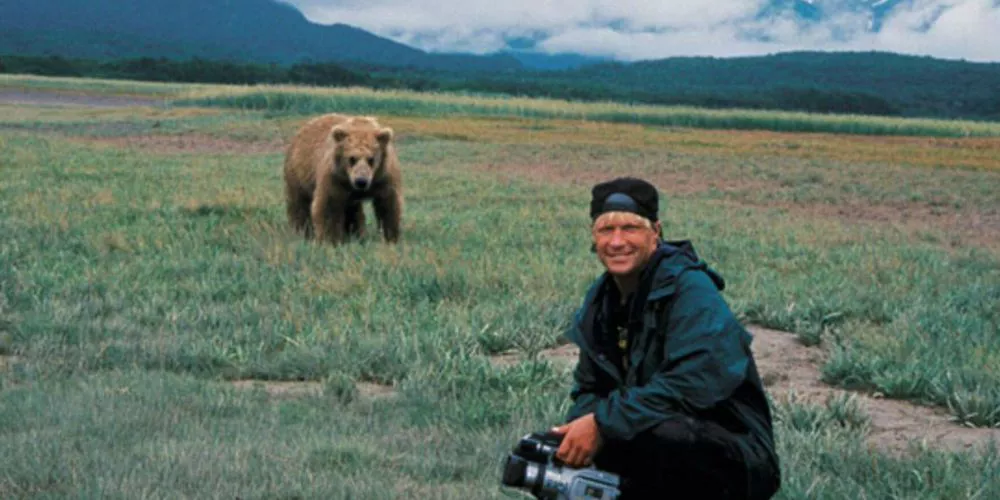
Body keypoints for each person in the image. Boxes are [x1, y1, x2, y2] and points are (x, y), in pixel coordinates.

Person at [549, 177, 781, 499]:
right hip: (647, 437)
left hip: (730, 453)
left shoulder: (691, 289)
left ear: (655, 232)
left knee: (661, 434)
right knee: (544, 456)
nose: (617, 242)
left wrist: (602, 424)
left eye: (630, 228)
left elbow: (692, 384)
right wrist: (579, 429)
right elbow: (590, 388)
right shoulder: (600, 299)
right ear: (593, 236)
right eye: (606, 230)